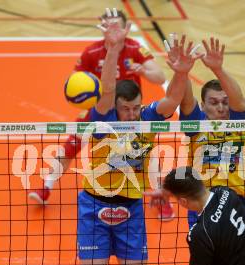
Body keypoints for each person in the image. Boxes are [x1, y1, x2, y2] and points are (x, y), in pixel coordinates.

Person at [76, 18, 201, 265]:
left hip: (131, 211)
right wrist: (114, 48)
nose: (131, 114)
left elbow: (171, 99)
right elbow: (107, 88)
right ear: (115, 106)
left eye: (135, 107)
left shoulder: (146, 118)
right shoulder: (103, 119)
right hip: (93, 209)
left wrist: (180, 73)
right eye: (125, 108)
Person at [27, 9, 174, 220]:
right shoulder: (91, 52)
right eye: (108, 24)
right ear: (101, 27)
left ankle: (161, 200)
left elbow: (159, 77)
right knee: (70, 145)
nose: (112, 29)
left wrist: (141, 70)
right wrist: (85, 95)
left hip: (129, 113)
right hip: (102, 111)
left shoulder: (135, 48)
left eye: (116, 25)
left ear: (125, 28)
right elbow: (76, 83)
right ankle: (46, 187)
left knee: (146, 152)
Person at [176, 36, 245, 228]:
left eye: (225, 102)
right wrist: (182, 72)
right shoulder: (196, 126)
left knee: (240, 258)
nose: (221, 108)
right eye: (214, 103)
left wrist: (218, 69)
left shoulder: (243, 123)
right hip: (201, 205)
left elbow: (238, 101)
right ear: (203, 106)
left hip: (238, 205)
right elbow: (187, 102)